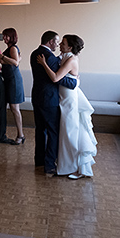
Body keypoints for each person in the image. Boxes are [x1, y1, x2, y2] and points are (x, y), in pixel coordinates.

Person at [37, 34, 97, 179]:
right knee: (64, 132)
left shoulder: (71, 60)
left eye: (63, 43)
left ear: (70, 47)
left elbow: (55, 78)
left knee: (70, 132)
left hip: (69, 100)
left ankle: (74, 166)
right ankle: (65, 164)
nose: (60, 45)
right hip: (62, 98)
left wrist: (44, 64)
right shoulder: (65, 56)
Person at [29, 31, 75, 176]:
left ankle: (39, 160)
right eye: (57, 41)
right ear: (50, 42)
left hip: (36, 96)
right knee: (53, 131)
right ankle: (49, 164)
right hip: (49, 99)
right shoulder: (50, 58)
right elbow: (57, 78)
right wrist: (74, 82)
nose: (58, 44)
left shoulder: (34, 53)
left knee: (40, 129)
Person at [0, 27, 25, 145]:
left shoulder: (13, 48)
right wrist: (3, 60)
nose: (4, 38)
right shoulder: (10, 48)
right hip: (9, 80)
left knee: (14, 108)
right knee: (13, 108)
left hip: (13, 80)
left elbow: (15, 62)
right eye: (4, 35)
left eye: (6, 36)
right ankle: (20, 135)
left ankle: (21, 135)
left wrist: (2, 57)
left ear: (11, 36)